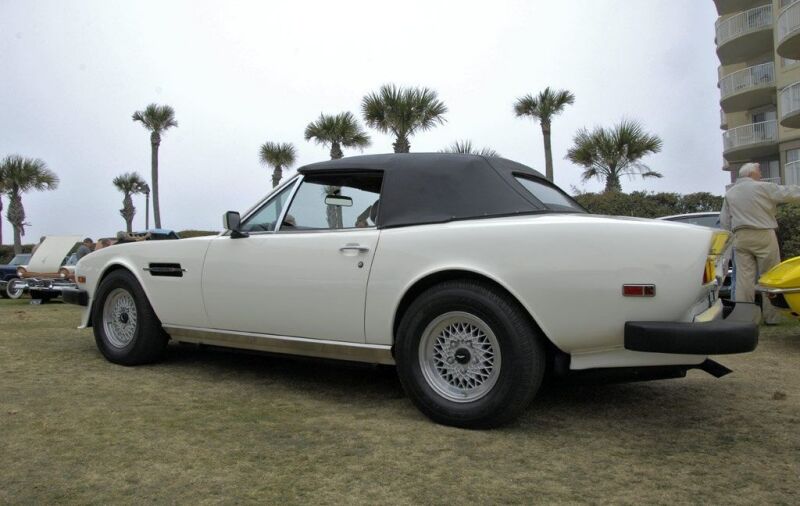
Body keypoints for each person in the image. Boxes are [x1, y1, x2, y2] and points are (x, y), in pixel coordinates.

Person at [720, 162, 800, 324]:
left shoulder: (730, 193)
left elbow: (724, 220)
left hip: (740, 236)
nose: (761, 175)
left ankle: (744, 317)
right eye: (759, 172)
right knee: (769, 276)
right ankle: (772, 317)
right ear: (751, 174)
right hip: (763, 233)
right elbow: (788, 193)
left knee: (743, 279)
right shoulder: (763, 187)